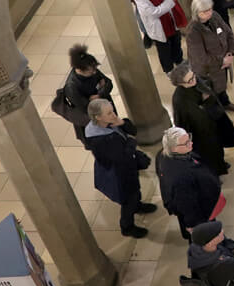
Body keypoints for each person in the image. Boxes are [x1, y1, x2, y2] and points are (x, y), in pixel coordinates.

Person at [82, 99, 156, 238]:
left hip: (127, 167)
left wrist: (122, 123)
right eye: (109, 113)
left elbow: (132, 130)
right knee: (128, 199)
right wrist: (131, 140)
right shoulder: (99, 139)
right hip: (118, 173)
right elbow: (122, 156)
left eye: (112, 110)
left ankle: (138, 206)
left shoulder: (110, 123)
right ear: (98, 117)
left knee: (135, 189)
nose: (114, 115)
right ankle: (127, 226)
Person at [169, 61, 234, 176]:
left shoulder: (198, 81)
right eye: (189, 80)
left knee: (218, 148)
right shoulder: (180, 100)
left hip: (212, 124)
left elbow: (211, 95)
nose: (194, 80)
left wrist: (207, 101)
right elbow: (184, 120)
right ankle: (214, 174)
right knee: (208, 155)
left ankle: (221, 165)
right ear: (181, 84)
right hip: (200, 134)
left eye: (193, 76)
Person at [156, 126, 224, 240]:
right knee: (203, 237)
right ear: (173, 148)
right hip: (200, 212)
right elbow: (187, 205)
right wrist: (192, 225)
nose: (191, 143)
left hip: (198, 197)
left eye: (189, 139)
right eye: (186, 143)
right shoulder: (181, 177)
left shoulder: (163, 154)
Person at [185, 0, 234, 112]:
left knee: (222, 86)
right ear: (197, 13)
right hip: (207, 70)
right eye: (204, 11)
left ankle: (225, 103)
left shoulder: (215, 16)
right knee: (211, 94)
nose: (209, 13)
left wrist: (230, 53)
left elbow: (229, 34)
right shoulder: (193, 31)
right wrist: (223, 60)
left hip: (222, 64)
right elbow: (201, 58)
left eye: (210, 9)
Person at [132, 0, 186, 73]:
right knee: (164, 50)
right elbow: (153, 13)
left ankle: (179, 60)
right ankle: (169, 70)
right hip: (159, 26)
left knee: (176, 41)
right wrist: (170, 0)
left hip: (170, 19)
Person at [63, 44, 115, 144]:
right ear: (80, 70)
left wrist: (98, 95)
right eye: (91, 71)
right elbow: (87, 108)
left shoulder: (92, 70)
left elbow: (109, 84)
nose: (95, 72)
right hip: (94, 122)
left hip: (106, 110)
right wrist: (101, 88)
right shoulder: (72, 87)